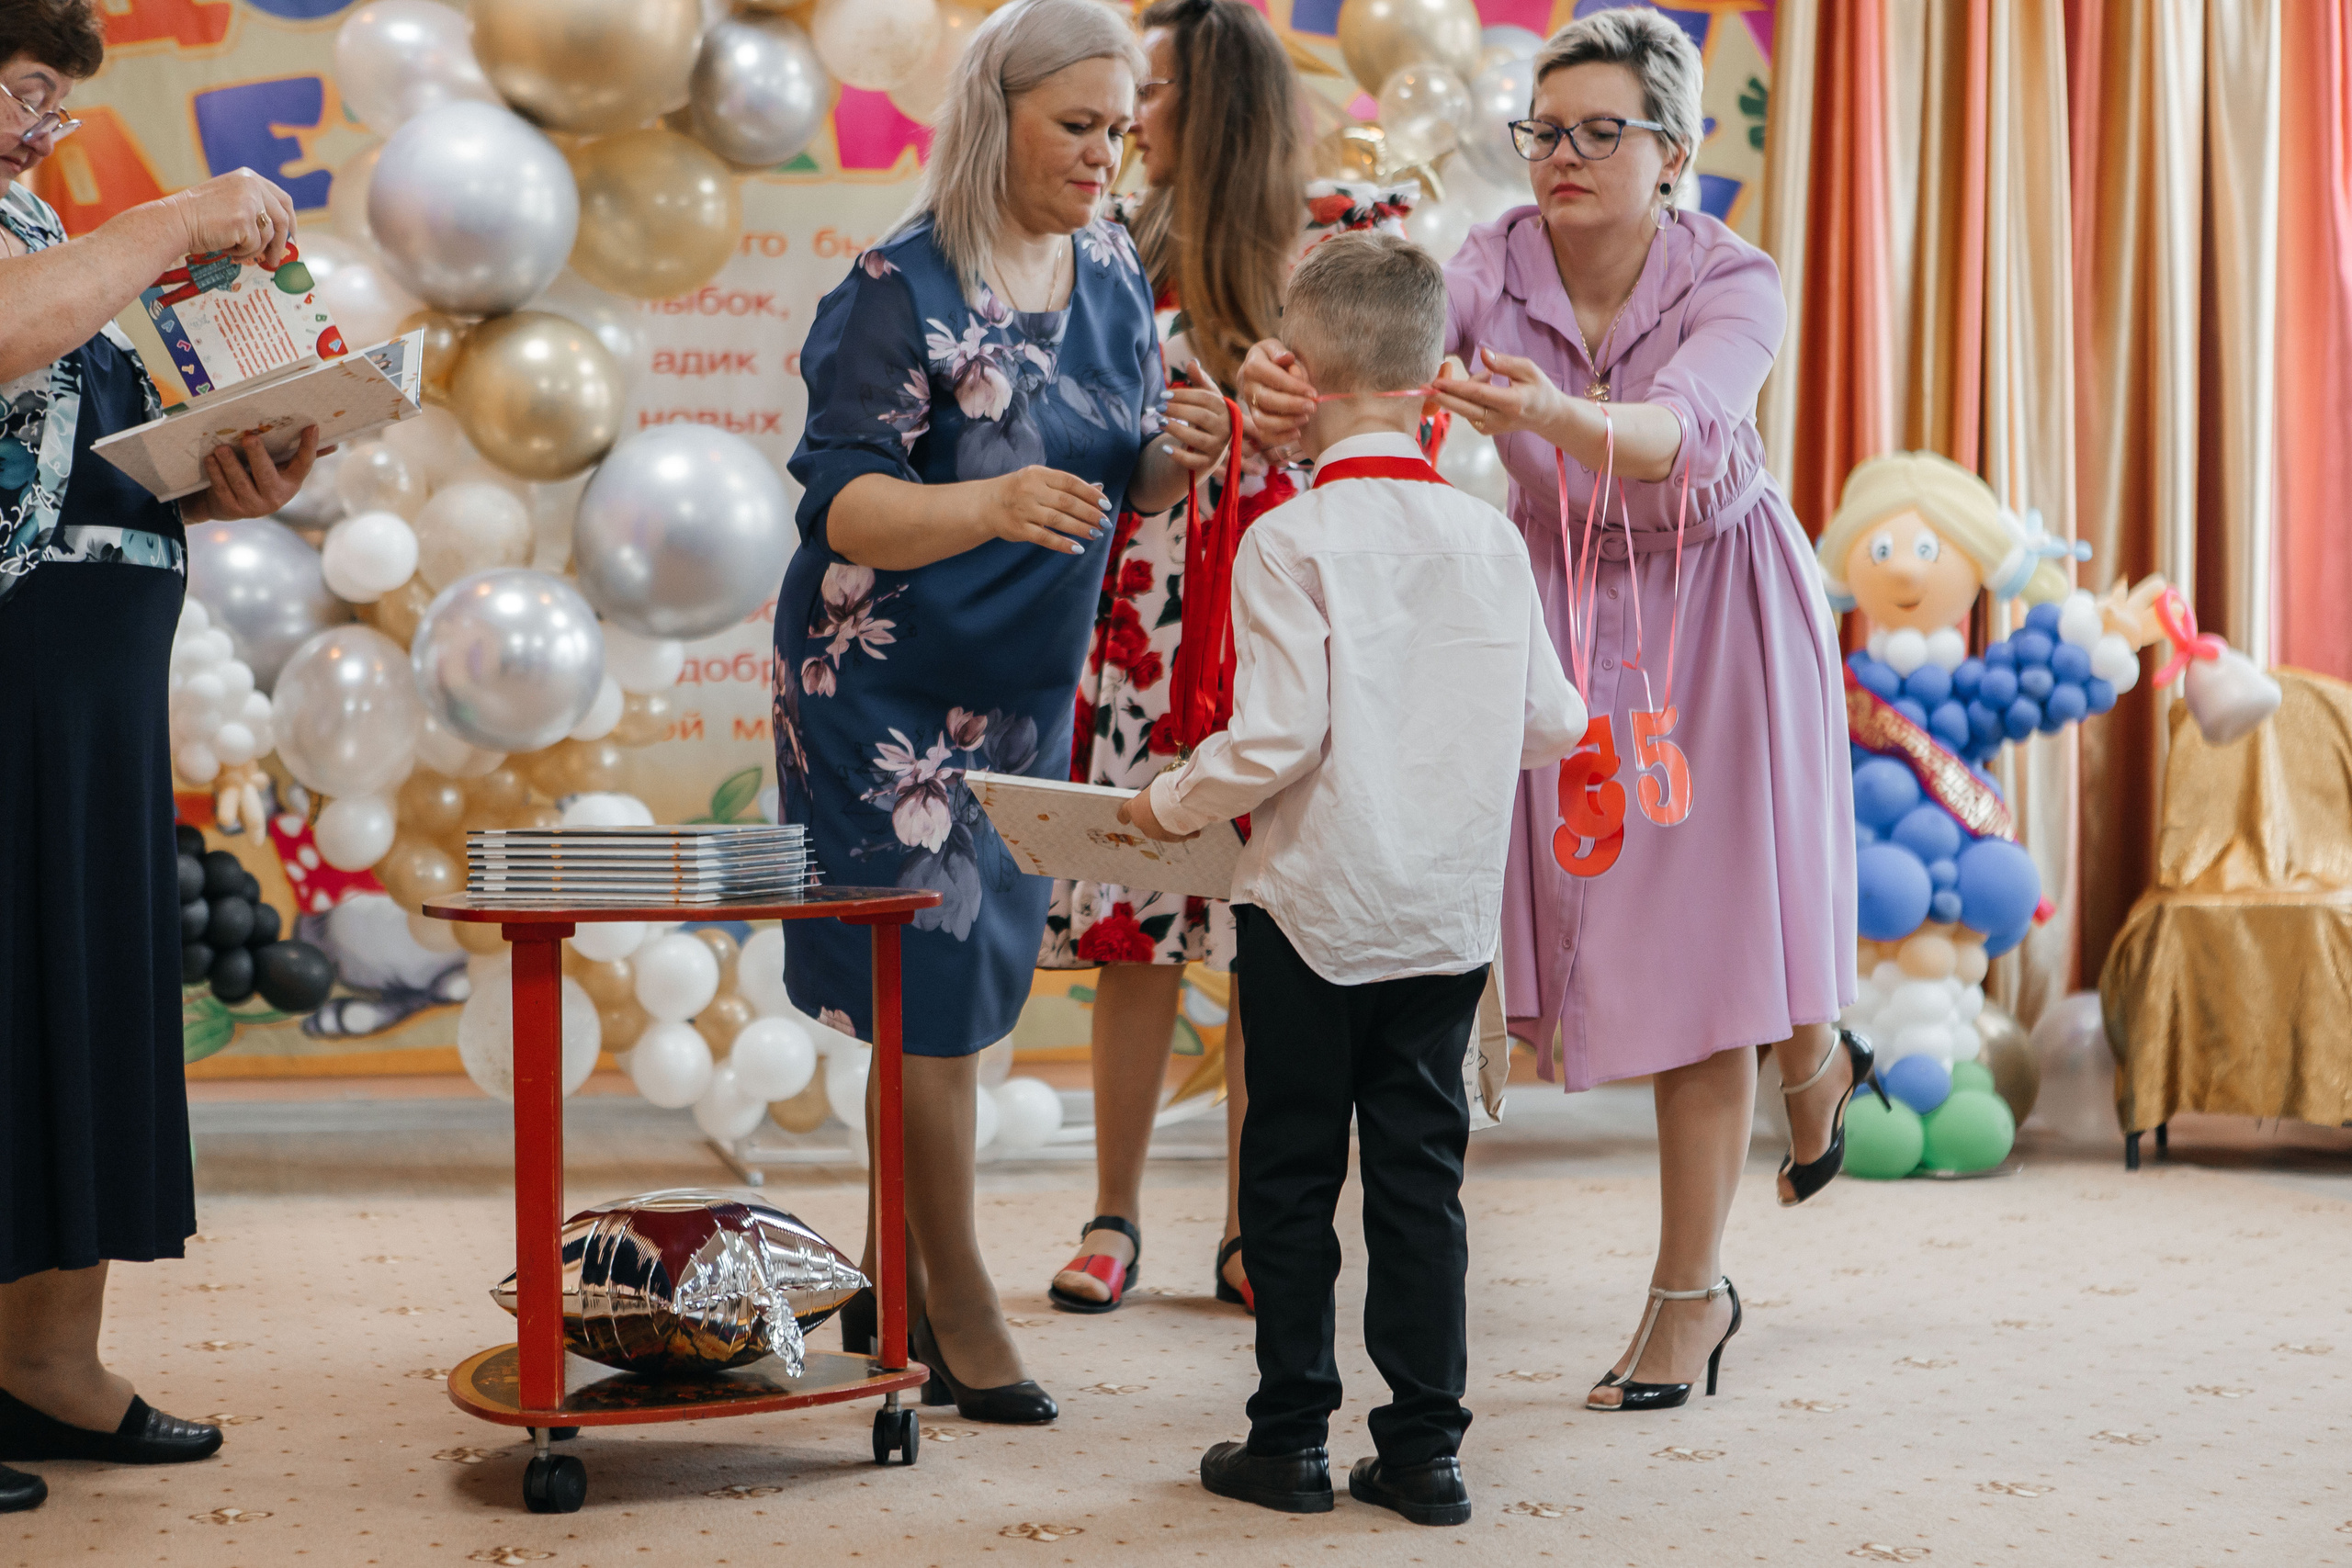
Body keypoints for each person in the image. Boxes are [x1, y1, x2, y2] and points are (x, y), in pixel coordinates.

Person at [1243, 7, 1860, 1416]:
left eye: (1601, 131)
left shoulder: (1736, 276)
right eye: (1545, 131)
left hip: (1716, 605)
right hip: (1556, 612)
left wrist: (1561, 418)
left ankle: (1693, 1290)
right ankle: (1815, 1039)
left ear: (1677, 150)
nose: (1564, 157)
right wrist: (1300, 380)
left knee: (1710, 950)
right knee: (1584, 913)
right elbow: (1389, 364)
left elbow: (1682, 435)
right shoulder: (1490, 264)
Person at [774, 0, 1231, 1424]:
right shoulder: (895, 287)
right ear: (997, 118)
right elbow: (844, 496)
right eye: (1078, 127)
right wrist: (984, 501)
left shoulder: (1105, 265)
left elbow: (1118, 475)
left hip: (1021, 692)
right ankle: (958, 1303)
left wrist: (1179, 455)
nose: (1108, 154)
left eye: (1121, 126)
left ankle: (886, 1285)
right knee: (936, 1005)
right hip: (882, 688)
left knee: (953, 1000)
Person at [1124, 232, 1586, 1527]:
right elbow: (1553, 721)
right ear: (1431, 372)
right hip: (1442, 917)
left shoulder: (1292, 535)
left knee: (1287, 1173)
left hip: (1314, 912)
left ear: (1302, 372)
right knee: (1419, 1180)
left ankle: (1289, 1439)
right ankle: (1428, 1451)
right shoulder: (1490, 535)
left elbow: (1278, 740)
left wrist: (1169, 801)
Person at [1040, 0, 1419, 1320]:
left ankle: (1265, 1223)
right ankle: (1113, 1215)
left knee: (1275, 927)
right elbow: (1076, 436)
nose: (1134, 119)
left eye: (1152, 91)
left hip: (1300, 618)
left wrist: (1290, 426)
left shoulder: (1349, 232)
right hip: (1148, 620)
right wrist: (1158, 449)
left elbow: (1405, 419)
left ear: (1216, 98)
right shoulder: (1104, 248)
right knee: (1140, 925)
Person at [0, 0, 324, 1517]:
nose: (39, 119)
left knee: (72, 1004)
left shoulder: (43, 230)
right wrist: (170, 221)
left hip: (91, 684)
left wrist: (217, 483)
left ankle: (49, 1367)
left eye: (53, 93)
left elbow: (61, 454)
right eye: (17, 86)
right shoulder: (71, 248)